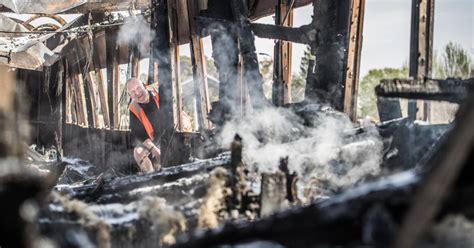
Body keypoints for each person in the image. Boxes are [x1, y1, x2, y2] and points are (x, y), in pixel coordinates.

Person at [126, 78, 161, 172]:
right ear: (130, 95)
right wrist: (155, 151)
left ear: (144, 85)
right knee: (138, 152)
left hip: (173, 130)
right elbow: (141, 135)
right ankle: (151, 178)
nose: (137, 93)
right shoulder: (133, 108)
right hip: (154, 138)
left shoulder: (158, 91)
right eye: (133, 91)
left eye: (138, 88)